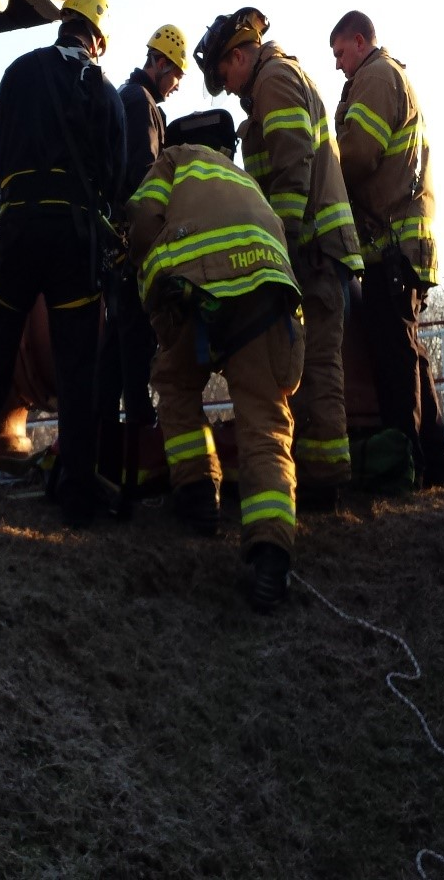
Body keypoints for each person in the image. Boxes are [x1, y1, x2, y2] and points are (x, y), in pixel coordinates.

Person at [0, 0, 125, 526]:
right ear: (96, 38)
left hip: (19, 230)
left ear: (63, 22)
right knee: (77, 369)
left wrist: (19, 197)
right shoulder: (104, 90)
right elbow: (114, 176)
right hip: (74, 238)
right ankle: (76, 492)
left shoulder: (19, 72)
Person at [126, 111, 304, 612]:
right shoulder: (244, 179)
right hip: (268, 297)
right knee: (267, 422)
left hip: (196, 288)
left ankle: (198, 495)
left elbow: (142, 219)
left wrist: (144, 277)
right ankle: (271, 551)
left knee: (177, 386)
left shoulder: (173, 161)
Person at [193, 8, 362, 511]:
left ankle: (324, 481)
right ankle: (314, 475)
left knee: (319, 365)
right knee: (308, 364)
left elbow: (292, 167)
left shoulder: (274, 80)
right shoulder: (271, 83)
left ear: (240, 56)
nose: (227, 86)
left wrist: (281, 247)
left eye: (225, 74)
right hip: (311, 249)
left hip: (313, 250)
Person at [328, 10, 444, 489]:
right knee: (412, 354)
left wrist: (323, 165)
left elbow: (358, 155)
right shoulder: (392, 76)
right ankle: (434, 465)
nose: (339, 65)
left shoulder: (377, 78)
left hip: (391, 250)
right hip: (404, 246)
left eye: (340, 53)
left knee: (396, 357)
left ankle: (408, 463)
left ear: (360, 42)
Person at [97, 25, 188, 459]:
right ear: (162, 64)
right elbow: (145, 177)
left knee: (116, 345)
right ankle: (140, 436)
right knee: (135, 343)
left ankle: (103, 439)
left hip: (114, 243)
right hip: (131, 244)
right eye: (177, 76)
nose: (177, 86)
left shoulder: (124, 97)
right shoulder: (141, 103)